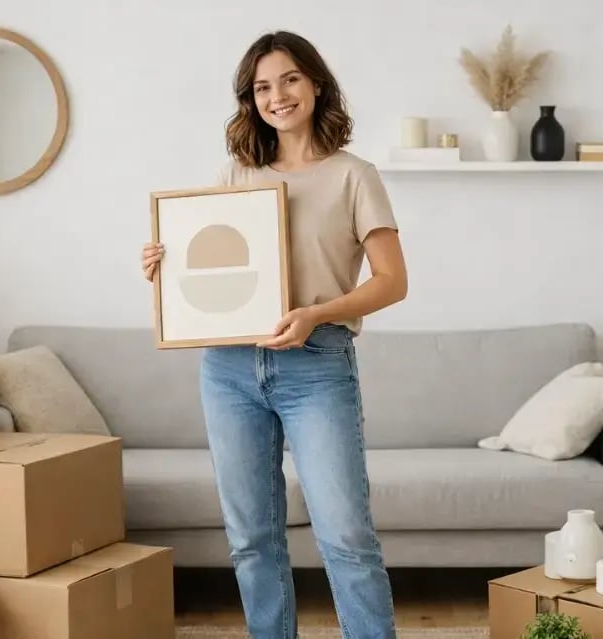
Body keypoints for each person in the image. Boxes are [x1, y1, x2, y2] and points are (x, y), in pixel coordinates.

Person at [142, 29, 407, 639]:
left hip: (316, 365)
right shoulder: (237, 173)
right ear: (250, 99)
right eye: (262, 87)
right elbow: (217, 271)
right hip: (230, 368)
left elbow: (392, 281)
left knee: (345, 536)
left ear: (315, 82)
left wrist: (316, 313)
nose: (277, 96)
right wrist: (165, 262)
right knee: (251, 539)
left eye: (289, 79)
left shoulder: (353, 176)